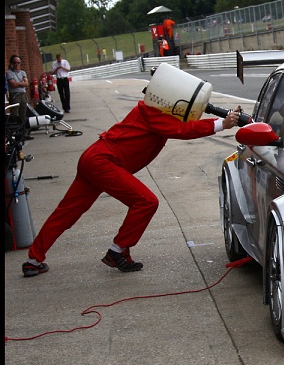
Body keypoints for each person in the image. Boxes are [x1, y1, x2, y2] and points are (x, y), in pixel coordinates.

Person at [20, 70, 245, 277]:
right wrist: (220, 124)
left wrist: (223, 118)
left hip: (96, 158)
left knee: (66, 213)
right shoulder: (151, 112)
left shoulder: (155, 111)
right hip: (103, 161)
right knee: (146, 201)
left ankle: (33, 260)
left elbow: (179, 123)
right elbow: (181, 130)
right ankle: (117, 250)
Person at [5, 54, 31, 140]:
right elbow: (13, 84)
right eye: (15, 63)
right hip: (15, 95)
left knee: (23, 114)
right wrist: (21, 83)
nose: (17, 65)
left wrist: (18, 83)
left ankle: (24, 134)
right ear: (11, 63)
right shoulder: (9, 73)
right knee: (15, 115)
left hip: (23, 95)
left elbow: (26, 83)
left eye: (19, 63)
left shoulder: (23, 72)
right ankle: (16, 134)